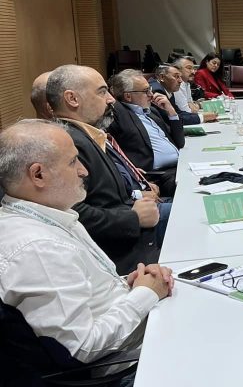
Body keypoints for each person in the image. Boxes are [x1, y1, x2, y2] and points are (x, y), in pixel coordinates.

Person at [0, 119, 172, 363]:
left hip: (132, 331)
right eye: (73, 162)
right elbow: (81, 347)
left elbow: (86, 294)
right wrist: (146, 293)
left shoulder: (49, 215)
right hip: (126, 366)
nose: (84, 171)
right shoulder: (38, 249)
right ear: (38, 174)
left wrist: (132, 284)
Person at [47, 64, 166, 273]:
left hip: (132, 233)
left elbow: (106, 195)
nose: (111, 99)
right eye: (102, 92)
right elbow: (69, 212)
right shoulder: (68, 143)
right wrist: (132, 218)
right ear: (72, 99)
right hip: (122, 252)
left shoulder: (89, 134)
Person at [107, 70, 185, 196]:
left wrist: (171, 112)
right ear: (128, 96)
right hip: (159, 176)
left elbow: (180, 142)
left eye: (150, 89)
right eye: (146, 91)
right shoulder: (119, 113)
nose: (151, 94)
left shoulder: (152, 112)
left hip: (179, 166)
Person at [151, 64, 217, 125]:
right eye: (176, 76)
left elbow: (178, 112)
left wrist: (201, 115)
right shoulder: (157, 91)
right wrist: (202, 117)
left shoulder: (167, 88)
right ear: (162, 77)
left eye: (180, 77)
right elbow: (170, 119)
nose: (180, 81)